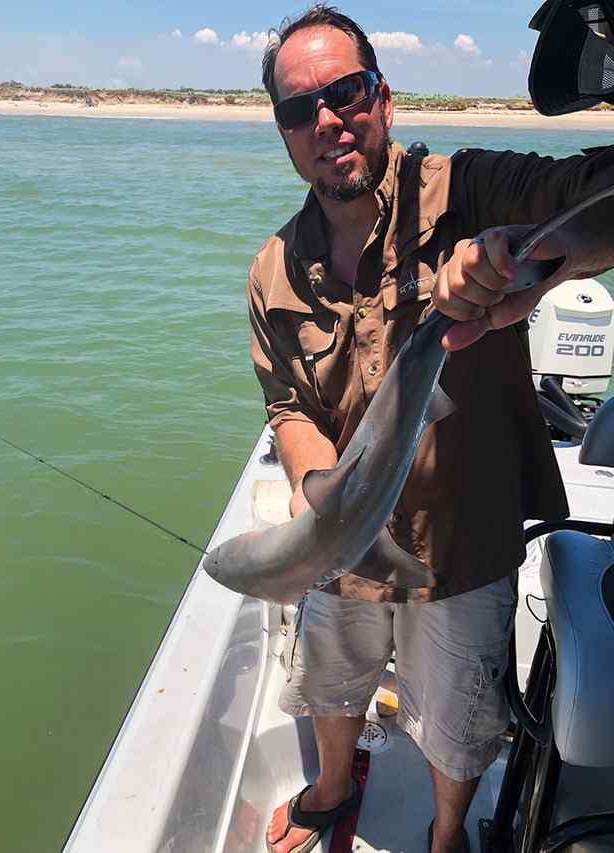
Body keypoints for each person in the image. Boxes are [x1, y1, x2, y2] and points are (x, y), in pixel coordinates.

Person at [246, 6, 614, 853]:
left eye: (345, 92)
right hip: (341, 533)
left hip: (462, 534)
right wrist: (319, 499)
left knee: (457, 716)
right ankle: (335, 786)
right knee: (332, 679)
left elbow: (602, 203)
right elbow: (288, 407)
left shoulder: (472, 188)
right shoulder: (273, 269)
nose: (326, 120)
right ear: (283, 132)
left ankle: (446, 832)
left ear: (383, 94)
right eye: (300, 109)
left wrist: (526, 250)